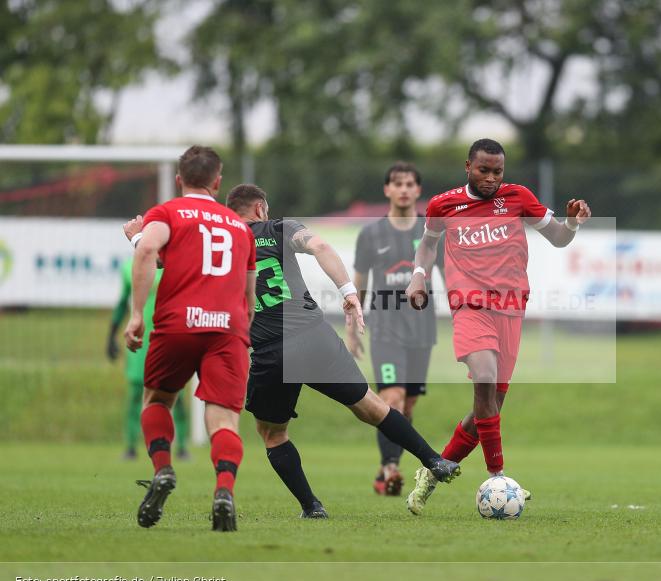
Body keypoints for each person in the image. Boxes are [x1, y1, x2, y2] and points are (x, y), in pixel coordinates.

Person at [222, 184, 461, 518]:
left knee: (273, 433)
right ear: (261, 208)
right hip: (314, 336)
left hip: (271, 352)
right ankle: (433, 459)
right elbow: (319, 245)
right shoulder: (279, 228)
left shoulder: (222, 242)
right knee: (372, 407)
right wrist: (348, 292)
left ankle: (312, 506)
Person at [404, 138, 591, 515]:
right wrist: (418, 276)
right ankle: (499, 478)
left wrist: (571, 222)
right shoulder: (444, 204)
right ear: (468, 167)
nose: (491, 178)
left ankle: (434, 470)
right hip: (469, 303)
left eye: (497, 171)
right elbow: (427, 245)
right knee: (485, 378)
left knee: (488, 406)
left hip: (510, 307)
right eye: (483, 170)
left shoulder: (519, 197)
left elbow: (558, 239)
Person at [124, 145, 257, 532]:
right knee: (224, 419)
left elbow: (149, 249)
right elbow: (248, 295)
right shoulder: (239, 227)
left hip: (178, 324)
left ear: (180, 179)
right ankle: (224, 489)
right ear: (218, 182)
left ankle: (163, 469)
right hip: (227, 328)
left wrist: (137, 314)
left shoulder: (167, 212)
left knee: (158, 400)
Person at [348, 162, 443, 496]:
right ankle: (391, 469)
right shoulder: (371, 234)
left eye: (409, 184)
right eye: (397, 183)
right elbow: (359, 282)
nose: (403, 189)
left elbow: (451, 275)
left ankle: (385, 469)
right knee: (392, 399)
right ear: (387, 189)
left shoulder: (432, 233)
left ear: (418, 190)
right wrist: (352, 327)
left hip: (422, 329)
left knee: (409, 406)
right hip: (385, 328)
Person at [107, 256, 188, 461]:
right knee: (136, 393)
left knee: (176, 394)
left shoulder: (175, 262)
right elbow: (122, 303)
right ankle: (131, 446)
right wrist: (111, 335)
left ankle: (182, 446)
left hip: (170, 337)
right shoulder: (129, 267)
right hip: (140, 339)